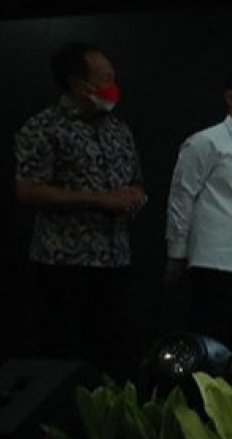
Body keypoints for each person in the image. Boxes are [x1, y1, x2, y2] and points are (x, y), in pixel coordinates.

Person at [14, 42, 147, 373]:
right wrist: (100, 199)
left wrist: (134, 197)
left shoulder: (119, 129)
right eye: (104, 78)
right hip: (64, 263)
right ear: (77, 83)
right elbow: (28, 191)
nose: (112, 85)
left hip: (115, 260)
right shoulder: (43, 127)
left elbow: (134, 181)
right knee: (62, 358)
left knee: (114, 356)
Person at [165, 66, 232, 362]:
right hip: (215, 264)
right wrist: (177, 253)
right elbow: (181, 198)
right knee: (209, 349)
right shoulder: (206, 142)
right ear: (231, 98)